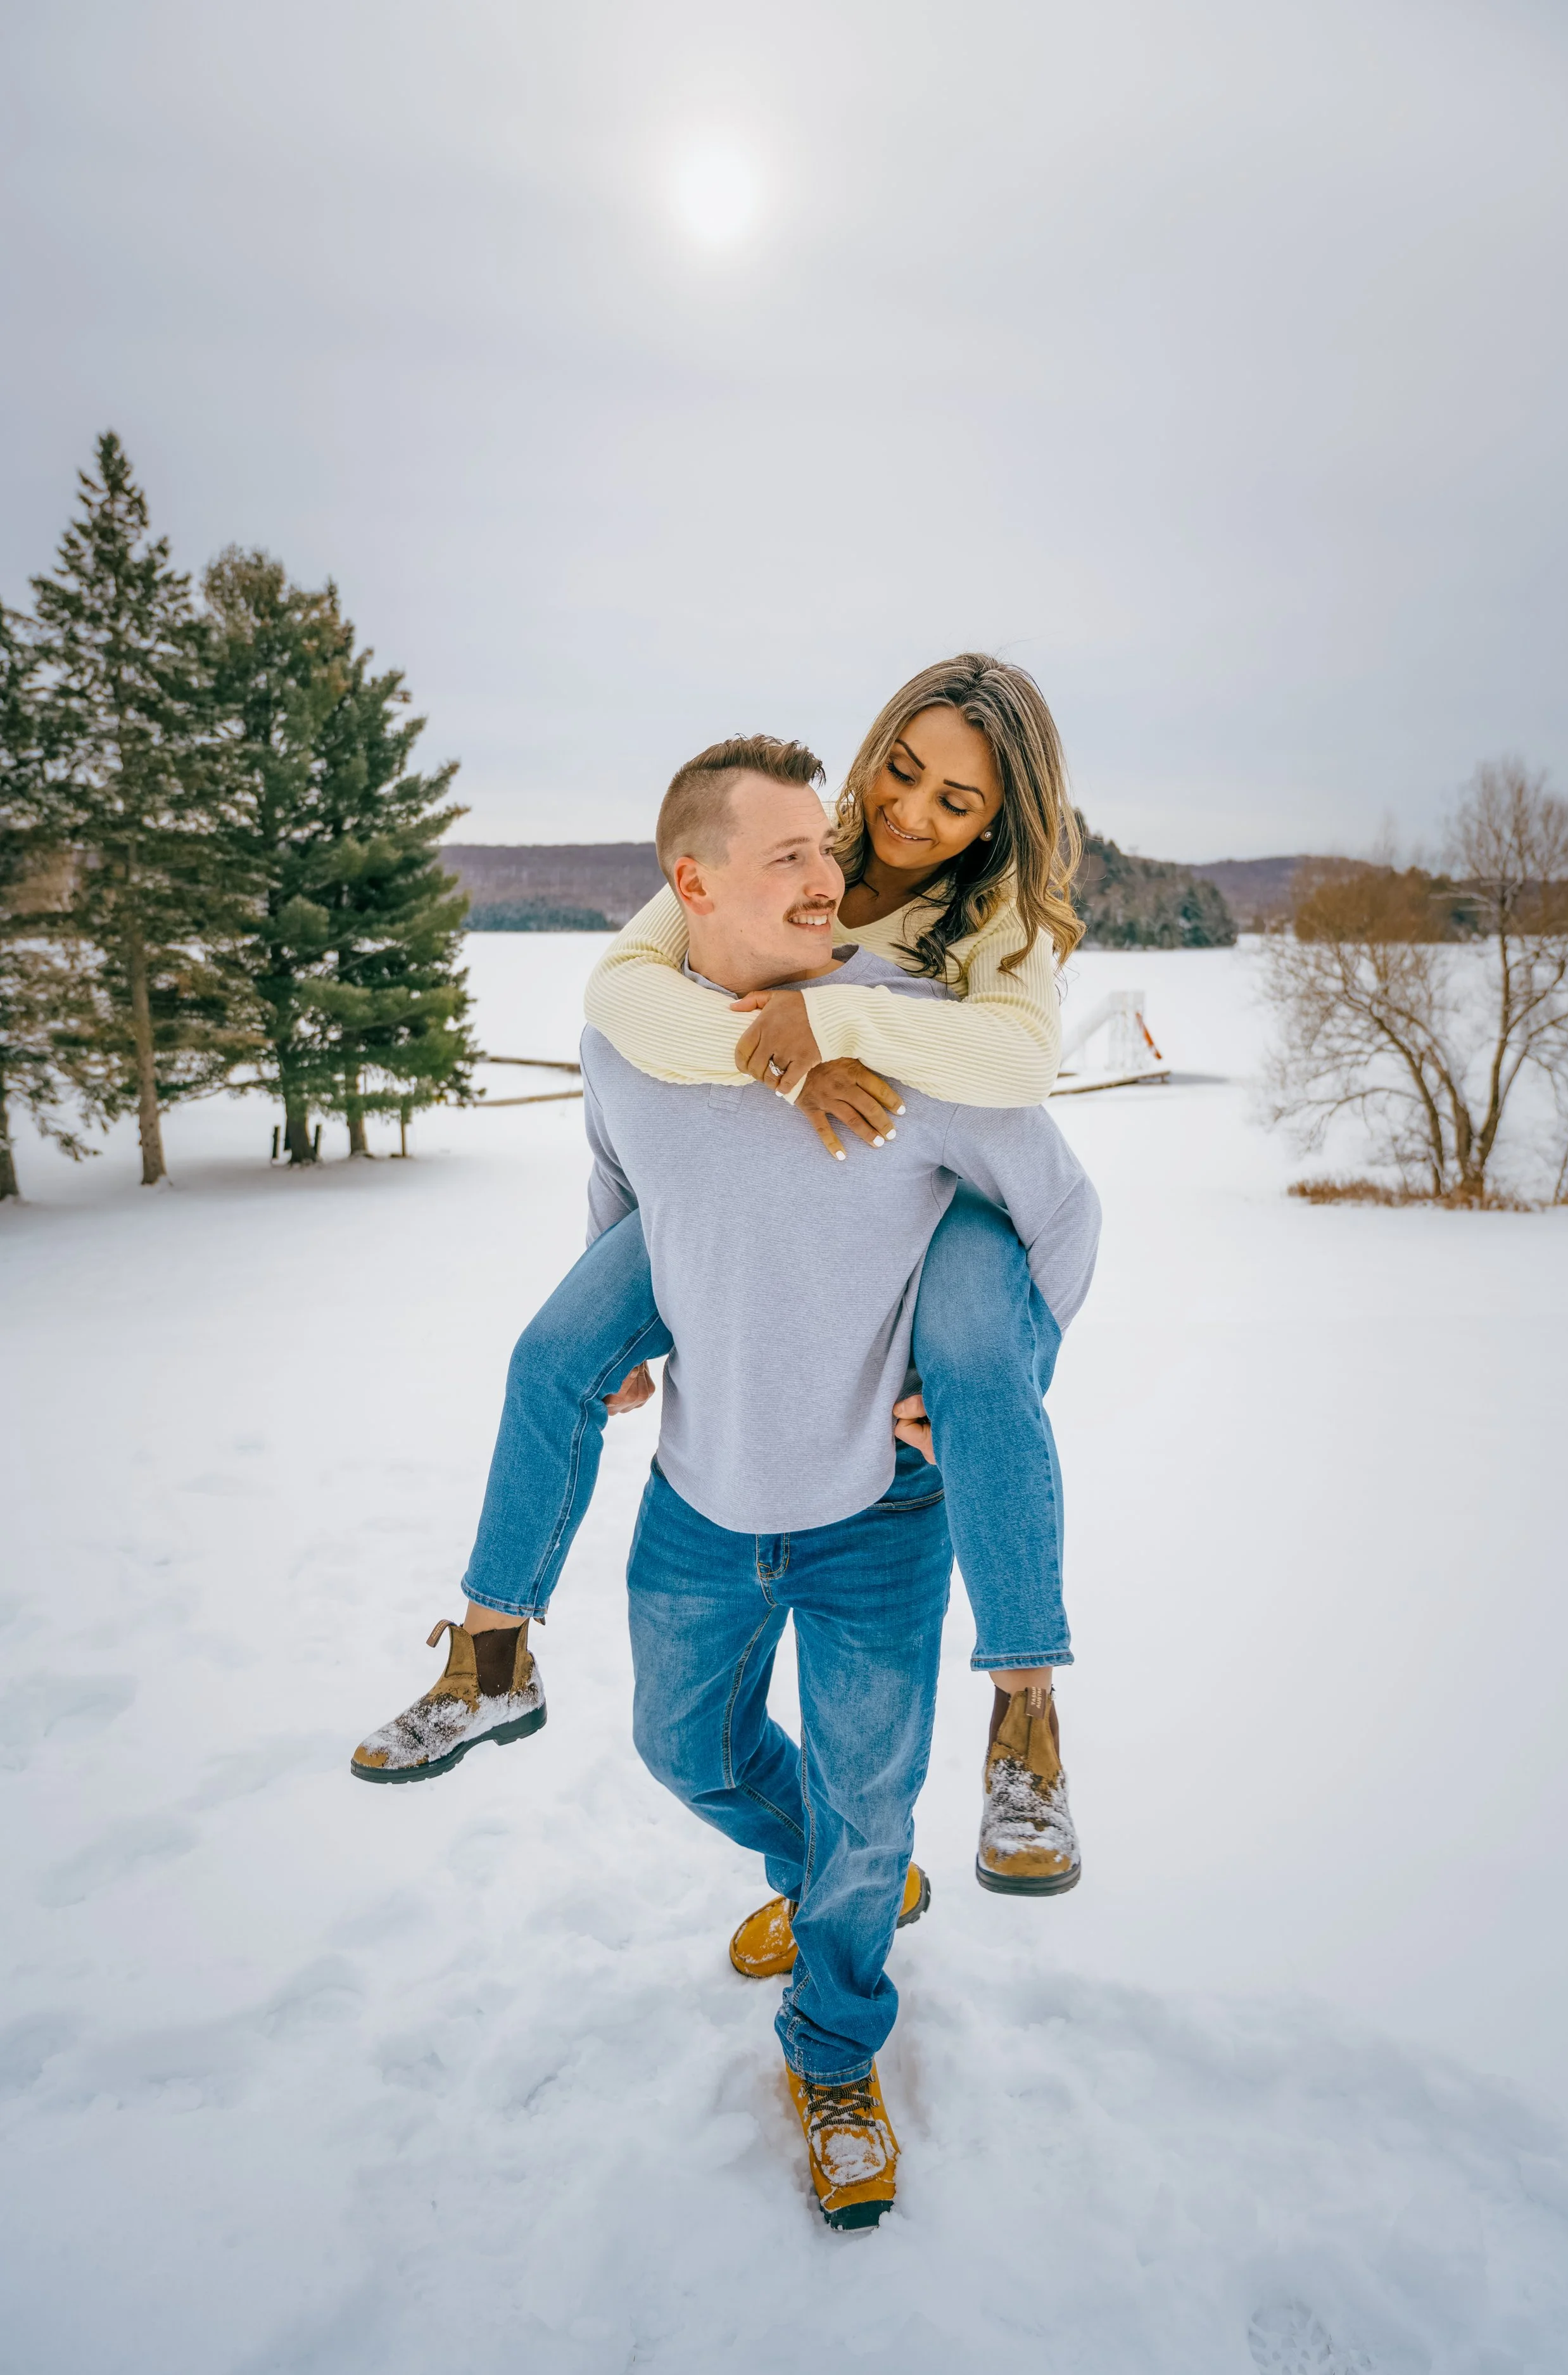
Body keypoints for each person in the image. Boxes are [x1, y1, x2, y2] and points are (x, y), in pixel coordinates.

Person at [359, 744, 1100, 2224]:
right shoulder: (633, 1036)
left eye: (831, 861)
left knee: (872, 1805)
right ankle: (814, 1857)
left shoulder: (908, 1038)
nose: (833, 879)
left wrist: (995, 1380)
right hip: (698, 1501)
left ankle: (834, 2044)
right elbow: (619, 1182)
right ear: (688, 885)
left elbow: (1062, 1217)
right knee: (679, 1750)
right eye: (792, 861)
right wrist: (619, 1331)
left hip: (877, 1519)